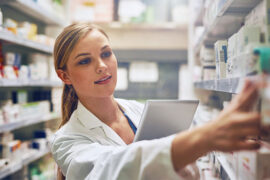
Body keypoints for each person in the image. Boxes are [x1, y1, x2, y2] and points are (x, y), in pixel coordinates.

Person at [49, 23, 268, 180]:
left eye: (106, 54)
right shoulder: (66, 140)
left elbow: (186, 169)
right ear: (65, 76)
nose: (102, 66)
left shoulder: (140, 111)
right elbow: (107, 169)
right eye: (85, 61)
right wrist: (206, 138)